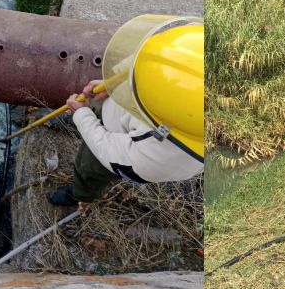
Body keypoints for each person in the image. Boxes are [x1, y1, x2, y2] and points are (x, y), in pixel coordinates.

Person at [47, 21, 204, 206]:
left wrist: (82, 116)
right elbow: (150, 62)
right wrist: (113, 83)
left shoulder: (164, 159)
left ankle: (79, 194)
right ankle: (79, 121)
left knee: (89, 168)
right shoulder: (197, 59)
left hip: (118, 142)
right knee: (92, 112)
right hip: (118, 113)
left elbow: (108, 150)